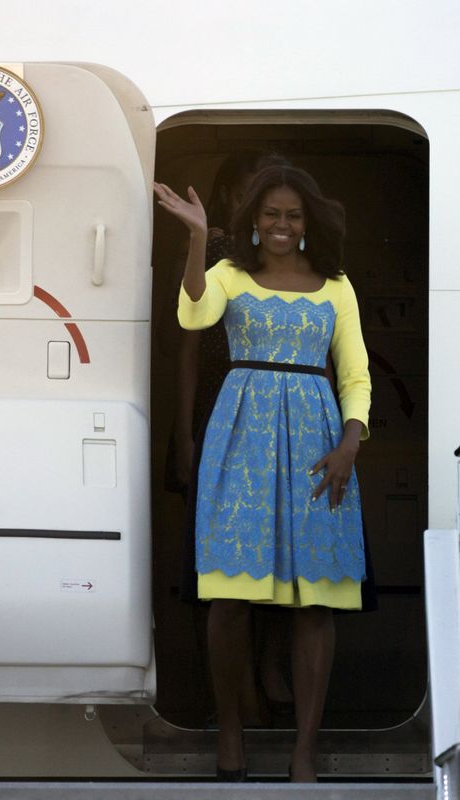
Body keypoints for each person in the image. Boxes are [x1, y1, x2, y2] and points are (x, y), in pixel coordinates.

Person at [153, 165, 371, 783]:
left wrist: (351, 441)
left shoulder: (336, 286)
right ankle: (230, 730)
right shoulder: (228, 274)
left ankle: (305, 749)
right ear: (253, 219)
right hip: (240, 439)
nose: (281, 225)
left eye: (293, 215)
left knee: (315, 604)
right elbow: (194, 318)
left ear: (309, 224)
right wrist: (198, 237)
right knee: (229, 596)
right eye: (271, 214)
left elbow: (354, 373)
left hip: (318, 446)